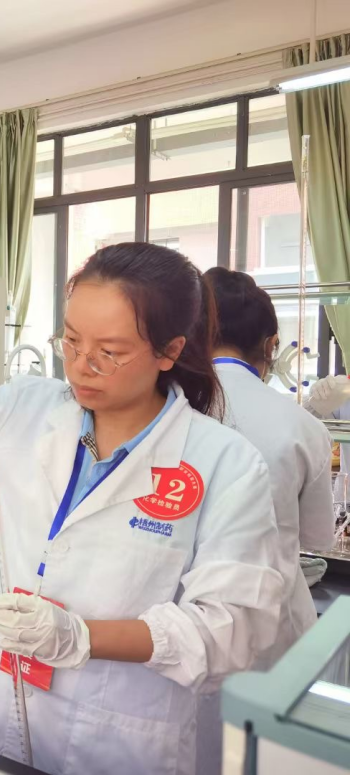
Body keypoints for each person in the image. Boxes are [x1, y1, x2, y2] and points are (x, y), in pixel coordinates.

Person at [0, 243, 283, 775]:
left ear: (169, 351)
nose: (82, 366)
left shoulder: (224, 463)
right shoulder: (19, 411)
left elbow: (232, 628)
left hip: (109, 735)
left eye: (110, 351)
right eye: (71, 340)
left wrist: (80, 636)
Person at [192, 267, 334, 775]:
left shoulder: (165, 409)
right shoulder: (301, 424)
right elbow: (318, 537)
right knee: (259, 757)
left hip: (177, 624)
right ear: (271, 344)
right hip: (271, 628)